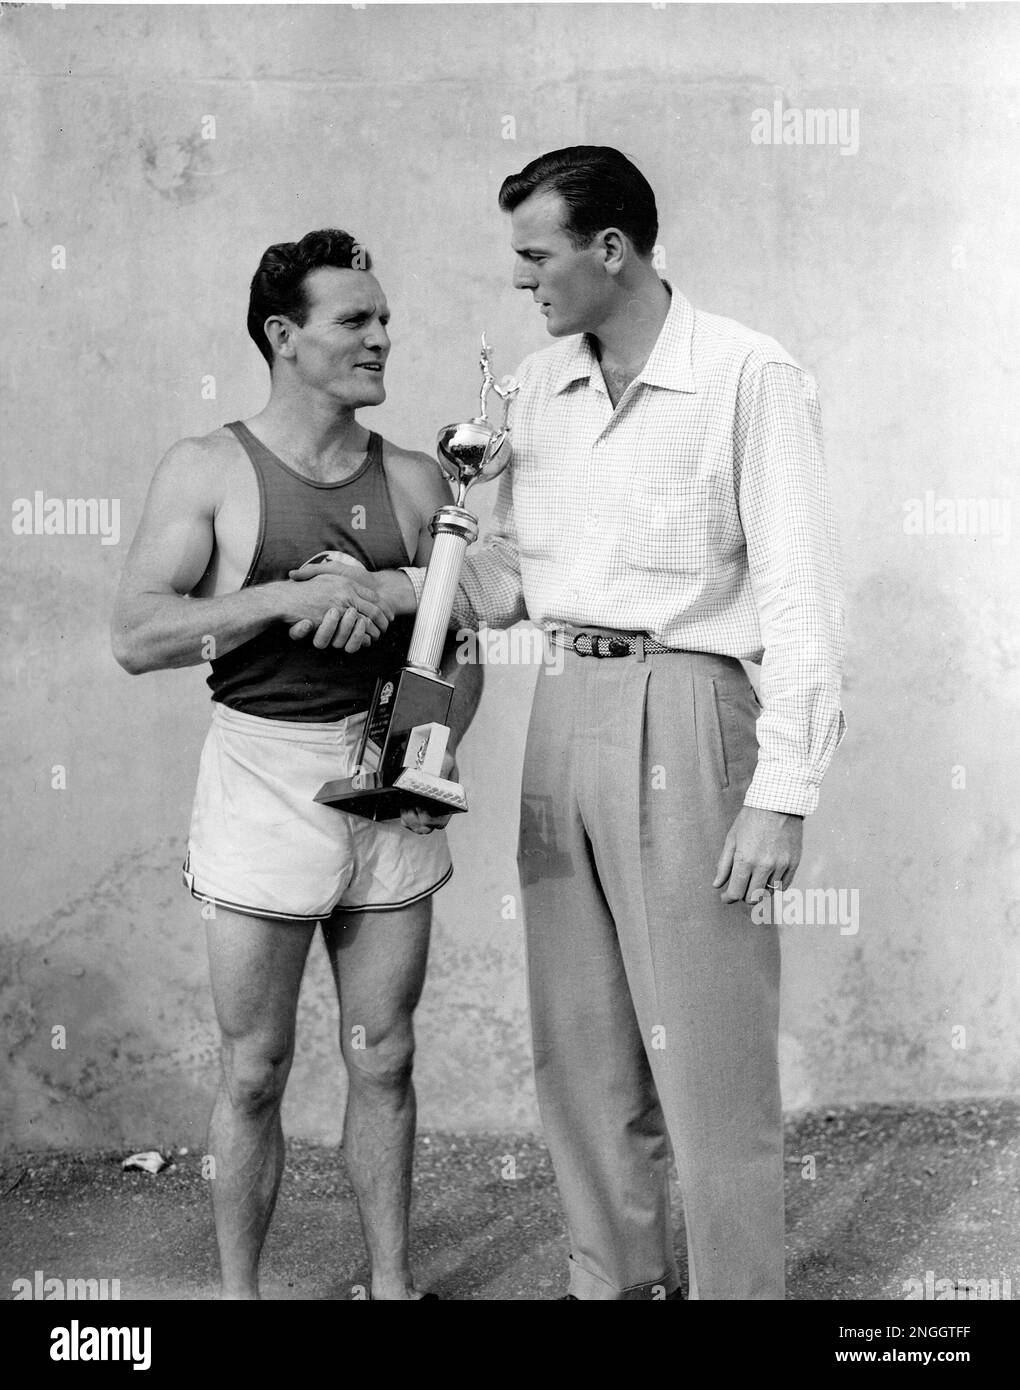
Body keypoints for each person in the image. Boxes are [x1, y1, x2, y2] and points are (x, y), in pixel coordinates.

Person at [374, 147, 845, 1299]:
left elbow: (800, 595)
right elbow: (510, 584)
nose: (523, 279)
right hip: (562, 709)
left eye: (536, 255)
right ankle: (613, 1282)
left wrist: (782, 790)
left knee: (711, 1052)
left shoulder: (748, 373)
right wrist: (403, 570)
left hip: (692, 706)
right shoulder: (534, 389)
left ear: (610, 248)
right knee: (580, 1043)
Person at [111, 229, 481, 1300]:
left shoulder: (415, 477)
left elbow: (474, 625)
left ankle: (395, 1287)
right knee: (257, 1069)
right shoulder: (211, 468)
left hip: (384, 781)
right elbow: (136, 635)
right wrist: (290, 597)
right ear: (284, 333)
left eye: (383, 319)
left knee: (385, 1055)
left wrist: (430, 737)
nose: (382, 337)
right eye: (355, 320)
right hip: (262, 781)